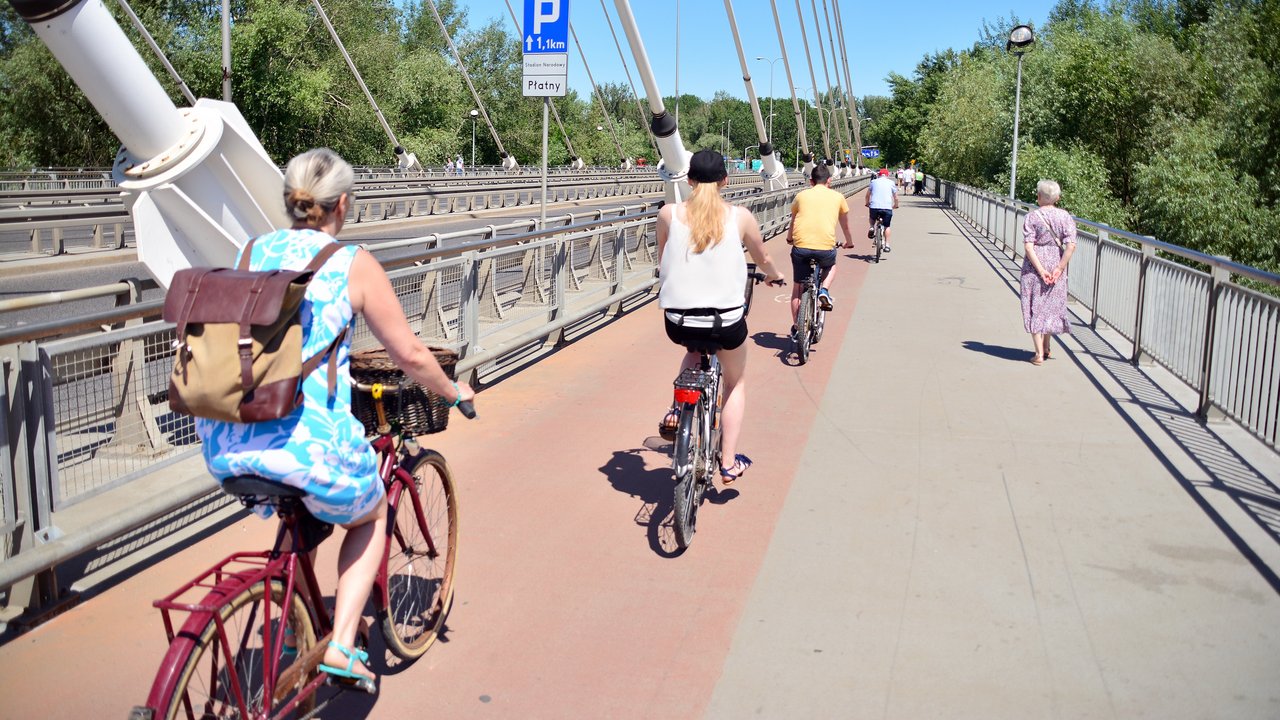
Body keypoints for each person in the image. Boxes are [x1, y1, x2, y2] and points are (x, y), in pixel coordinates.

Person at [195, 148, 475, 690]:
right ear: (342, 203)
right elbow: (411, 357)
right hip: (304, 444)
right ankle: (343, 645)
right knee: (368, 517)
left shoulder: (249, 251)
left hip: (227, 440)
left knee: (305, 511)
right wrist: (454, 390)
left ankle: (301, 624)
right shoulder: (353, 263)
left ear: (290, 202)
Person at [655, 149, 784, 484]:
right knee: (734, 381)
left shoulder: (669, 214)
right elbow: (764, 255)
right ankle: (727, 463)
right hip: (725, 323)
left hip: (678, 320)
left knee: (693, 349)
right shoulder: (740, 216)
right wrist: (773, 275)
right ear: (726, 180)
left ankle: (675, 409)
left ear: (689, 179)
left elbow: (663, 257)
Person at [785, 162, 854, 332]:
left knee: (798, 288)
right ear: (829, 181)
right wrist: (849, 242)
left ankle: (797, 327)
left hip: (801, 247)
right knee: (830, 266)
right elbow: (845, 226)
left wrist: (789, 238)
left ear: (811, 181)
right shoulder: (838, 197)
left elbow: (793, 221)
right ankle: (823, 290)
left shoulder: (801, 196)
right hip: (825, 248)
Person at [1020, 179, 1078, 365]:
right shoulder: (1065, 217)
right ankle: (1046, 347)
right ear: (1057, 198)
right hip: (1056, 262)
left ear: (1038, 197)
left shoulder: (1032, 217)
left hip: (1034, 265)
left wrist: (1040, 269)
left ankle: (1038, 354)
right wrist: (1059, 268)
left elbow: (1029, 247)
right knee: (1050, 306)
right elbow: (1071, 245)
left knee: (1034, 305)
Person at [865, 167, 899, 251]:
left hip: (874, 206)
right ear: (887, 175)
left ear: (879, 175)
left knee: (872, 217)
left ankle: (872, 227)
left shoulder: (873, 182)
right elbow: (896, 198)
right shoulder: (891, 183)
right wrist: (895, 205)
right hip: (887, 207)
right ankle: (887, 245)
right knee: (887, 226)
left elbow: (867, 195)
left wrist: (867, 203)